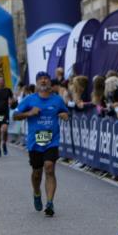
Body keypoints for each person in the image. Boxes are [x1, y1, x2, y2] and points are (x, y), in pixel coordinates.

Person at [13, 71, 69, 217]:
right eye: (41, 79)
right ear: (37, 83)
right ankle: (37, 192)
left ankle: (49, 203)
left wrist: (65, 115)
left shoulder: (57, 100)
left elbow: (66, 113)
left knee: (49, 168)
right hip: (35, 142)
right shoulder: (29, 99)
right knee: (37, 173)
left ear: (50, 82)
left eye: (46, 79)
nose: (44, 81)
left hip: (52, 141)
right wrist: (29, 113)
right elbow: (15, 115)